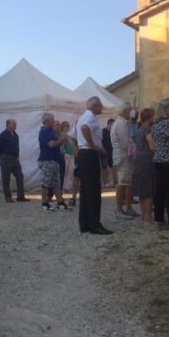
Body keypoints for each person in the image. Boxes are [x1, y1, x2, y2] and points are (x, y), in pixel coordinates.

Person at [70, 97, 112, 234]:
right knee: (93, 190)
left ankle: (85, 223)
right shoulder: (91, 118)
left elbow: (70, 136)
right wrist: (94, 146)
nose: (102, 108)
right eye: (100, 106)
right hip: (89, 154)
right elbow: (84, 129)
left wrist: (77, 150)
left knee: (85, 190)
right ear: (95, 106)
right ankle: (95, 225)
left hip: (83, 153)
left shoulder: (81, 117)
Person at [149, 98, 169, 230]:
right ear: (168, 109)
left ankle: (159, 220)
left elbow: (153, 142)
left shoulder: (155, 125)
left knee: (160, 191)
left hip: (159, 160)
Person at [38, 113, 70, 211]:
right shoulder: (44, 131)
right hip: (47, 160)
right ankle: (44, 203)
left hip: (55, 160)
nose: (54, 121)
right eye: (52, 119)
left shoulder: (51, 131)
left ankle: (60, 202)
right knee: (45, 182)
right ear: (47, 120)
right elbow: (51, 144)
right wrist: (62, 139)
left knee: (56, 183)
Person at [111, 102, 136, 219]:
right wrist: (133, 150)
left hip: (125, 156)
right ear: (125, 111)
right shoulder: (120, 124)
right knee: (122, 183)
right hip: (123, 156)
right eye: (130, 109)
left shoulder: (124, 123)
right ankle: (119, 209)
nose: (132, 111)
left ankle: (129, 208)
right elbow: (125, 143)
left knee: (128, 183)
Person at [131, 108, 155, 223]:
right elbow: (151, 144)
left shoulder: (139, 128)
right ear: (150, 117)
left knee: (141, 189)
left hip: (138, 158)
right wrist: (156, 149)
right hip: (146, 159)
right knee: (148, 189)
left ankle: (142, 214)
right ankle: (148, 216)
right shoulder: (148, 129)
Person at [0, 118, 27, 203]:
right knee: (6, 178)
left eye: (15, 124)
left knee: (20, 176)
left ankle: (20, 197)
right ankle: (8, 197)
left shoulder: (16, 135)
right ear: (8, 124)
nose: (15, 126)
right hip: (5, 157)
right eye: (13, 124)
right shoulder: (2, 135)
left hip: (15, 158)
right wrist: (0, 158)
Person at [60, 121, 77, 204]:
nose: (67, 127)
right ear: (62, 126)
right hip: (66, 154)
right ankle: (63, 187)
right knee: (64, 172)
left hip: (71, 154)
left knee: (70, 172)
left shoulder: (70, 134)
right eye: (65, 126)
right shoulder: (62, 134)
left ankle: (68, 187)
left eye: (68, 126)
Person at [101, 118, 114, 188]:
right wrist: (103, 149)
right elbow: (100, 141)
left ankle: (115, 182)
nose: (113, 126)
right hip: (104, 152)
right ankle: (105, 182)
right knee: (104, 167)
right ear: (109, 124)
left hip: (112, 151)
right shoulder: (103, 131)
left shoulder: (113, 132)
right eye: (112, 124)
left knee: (113, 166)